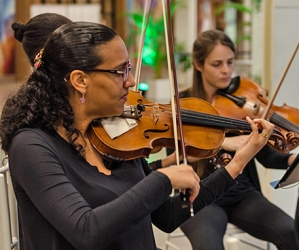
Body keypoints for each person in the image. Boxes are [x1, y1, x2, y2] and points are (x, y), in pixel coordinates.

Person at [0, 21, 274, 250]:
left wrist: (239, 161)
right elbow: (85, 231)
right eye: (121, 71)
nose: (130, 82)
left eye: (129, 69)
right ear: (80, 80)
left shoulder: (115, 136)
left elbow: (165, 217)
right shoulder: (32, 146)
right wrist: (162, 179)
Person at [152, 29, 299, 250]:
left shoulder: (245, 102)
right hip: (197, 195)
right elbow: (178, 157)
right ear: (198, 65)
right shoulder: (183, 103)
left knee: (291, 233)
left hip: (242, 195)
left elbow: (268, 156)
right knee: (208, 246)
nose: (226, 70)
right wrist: (223, 143)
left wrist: (296, 160)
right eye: (217, 64)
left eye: (230, 62)